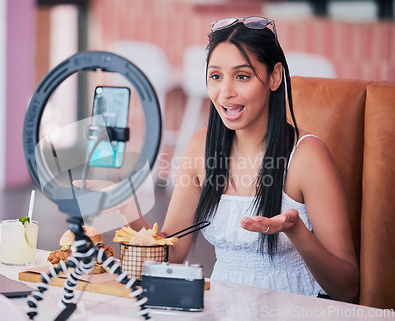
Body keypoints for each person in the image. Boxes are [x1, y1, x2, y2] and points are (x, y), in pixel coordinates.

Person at [77, 17, 359, 303]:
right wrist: (126, 209)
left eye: (242, 76)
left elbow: (346, 288)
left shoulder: (307, 156)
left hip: (293, 308)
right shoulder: (201, 147)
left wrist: (296, 231)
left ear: (274, 77)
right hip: (221, 306)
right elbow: (172, 255)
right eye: (216, 76)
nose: (225, 93)